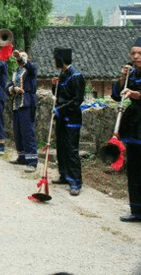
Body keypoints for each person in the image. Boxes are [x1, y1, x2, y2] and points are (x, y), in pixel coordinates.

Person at [112, 37, 141, 234]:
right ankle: (137, 209)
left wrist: (138, 94)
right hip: (134, 129)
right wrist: (121, 80)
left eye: (140, 53)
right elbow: (116, 95)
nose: (136, 57)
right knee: (134, 171)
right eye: (133, 53)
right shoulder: (132, 73)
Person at [51, 47, 85, 196]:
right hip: (61, 116)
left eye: (55, 59)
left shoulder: (76, 75)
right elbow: (58, 95)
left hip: (72, 118)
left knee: (71, 149)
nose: (54, 62)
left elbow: (77, 100)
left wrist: (61, 109)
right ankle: (64, 175)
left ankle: (75, 182)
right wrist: (54, 85)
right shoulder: (63, 74)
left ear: (61, 60)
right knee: (61, 147)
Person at [7, 50, 38, 172]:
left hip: (27, 103)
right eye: (19, 57)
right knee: (18, 132)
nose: (20, 59)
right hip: (16, 104)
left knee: (27, 132)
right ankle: (22, 157)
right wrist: (13, 88)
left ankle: (32, 161)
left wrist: (20, 57)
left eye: (23, 57)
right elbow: (7, 87)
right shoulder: (16, 72)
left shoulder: (30, 70)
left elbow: (30, 67)